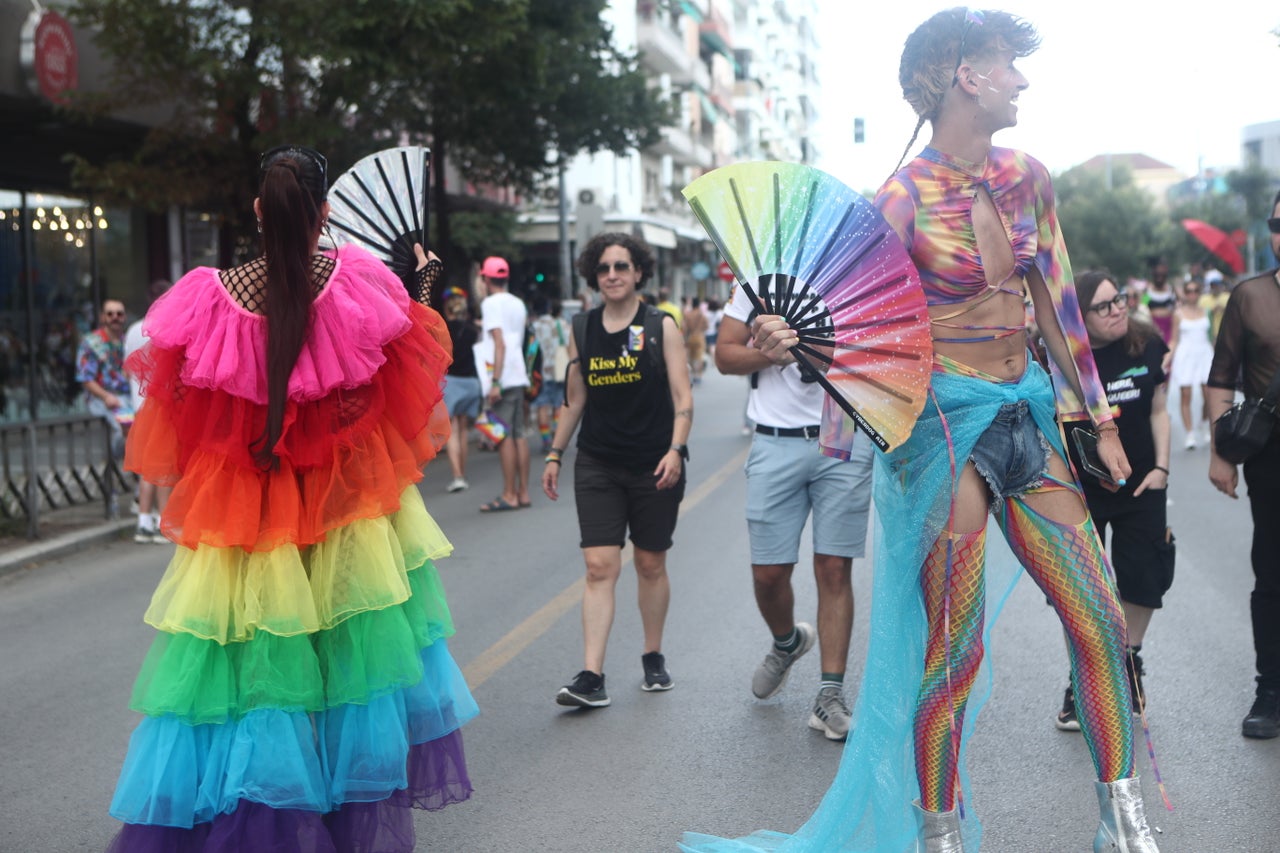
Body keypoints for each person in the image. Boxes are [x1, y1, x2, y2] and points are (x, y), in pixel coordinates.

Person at [682, 10, 1158, 852]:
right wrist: (794, 341)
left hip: (1027, 417)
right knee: (956, 647)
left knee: (1098, 620)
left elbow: (1059, 306)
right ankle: (938, 836)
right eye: (1009, 65)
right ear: (966, 75)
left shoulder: (1029, 176)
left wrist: (1099, 417)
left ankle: (1124, 823)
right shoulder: (898, 199)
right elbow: (860, 326)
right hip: (943, 432)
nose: (1021, 80)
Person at [105, 144, 477, 851]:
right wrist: (423, 290)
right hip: (343, 514)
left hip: (253, 516)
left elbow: (183, 419)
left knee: (252, 677)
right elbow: (398, 391)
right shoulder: (355, 282)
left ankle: (255, 822)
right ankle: (341, 820)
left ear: (256, 211)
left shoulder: (208, 298)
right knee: (352, 669)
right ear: (326, 212)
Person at [714, 281, 874, 741]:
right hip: (773, 439)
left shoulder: (853, 277)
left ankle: (829, 695)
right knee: (769, 574)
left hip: (841, 432)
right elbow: (725, 356)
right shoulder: (757, 284)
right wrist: (772, 352)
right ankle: (787, 642)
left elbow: (881, 352)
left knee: (833, 567)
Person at [541, 231, 692, 708]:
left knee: (650, 563)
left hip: (655, 464)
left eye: (621, 267)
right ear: (594, 275)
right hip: (598, 462)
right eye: (604, 268)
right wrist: (554, 453)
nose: (612, 275)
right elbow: (576, 399)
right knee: (598, 566)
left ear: (639, 272)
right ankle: (592, 675)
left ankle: (652, 655)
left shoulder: (660, 325)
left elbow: (683, 399)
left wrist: (675, 450)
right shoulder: (582, 328)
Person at [1056, 270, 1173, 732]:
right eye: (1103, 306)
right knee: (1082, 591)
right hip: (1085, 491)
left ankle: (1129, 660)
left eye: (1118, 299)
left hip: (1143, 486)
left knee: (1145, 578)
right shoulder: (1065, 362)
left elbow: (1160, 410)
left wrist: (1162, 469)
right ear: (1080, 319)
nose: (1117, 309)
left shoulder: (1145, 345)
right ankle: (1081, 681)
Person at [1206, 190, 1280, 740]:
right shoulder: (1250, 297)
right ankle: (1270, 690)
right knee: (1272, 570)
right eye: (1277, 223)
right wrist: (1219, 453)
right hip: (1270, 455)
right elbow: (1221, 377)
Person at [478, 255, 532, 511]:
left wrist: (496, 382)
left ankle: (509, 494)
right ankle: (522, 493)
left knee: (501, 436)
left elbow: (499, 342)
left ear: (485, 278)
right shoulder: (518, 303)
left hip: (502, 376)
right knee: (519, 434)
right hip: (518, 374)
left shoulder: (490, 303)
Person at [123, 280, 173, 543]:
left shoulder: (133, 330)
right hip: (160, 406)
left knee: (146, 466)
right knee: (162, 466)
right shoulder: (165, 329)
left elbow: (128, 368)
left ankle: (144, 520)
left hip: (137, 406)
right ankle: (163, 522)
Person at [76, 298, 132, 459]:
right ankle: (119, 466)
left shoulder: (127, 341)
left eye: (119, 314)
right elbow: (85, 378)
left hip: (127, 396)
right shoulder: (91, 342)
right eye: (110, 314)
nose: (115, 317)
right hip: (103, 397)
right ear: (102, 317)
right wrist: (106, 396)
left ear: (124, 317)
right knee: (125, 427)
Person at [1168, 279, 1215, 449]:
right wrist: (1166, 359)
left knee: (1209, 394)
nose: (1192, 294)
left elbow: (1212, 336)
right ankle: (1190, 434)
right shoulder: (1178, 313)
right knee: (1186, 394)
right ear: (1185, 293)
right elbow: (1174, 340)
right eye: (1189, 291)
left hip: (1205, 354)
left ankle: (1203, 422)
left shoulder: (1206, 311)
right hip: (1186, 355)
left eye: (1195, 290)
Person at [443, 286, 481, 492]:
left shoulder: (443, 329)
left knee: (452, 431)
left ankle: (457, 476)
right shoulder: (473, 331)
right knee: (464, 429)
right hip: (470, 382)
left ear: (448, 310)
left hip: (451, 382)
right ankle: (462, 473)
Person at [531, 296, 569, 452]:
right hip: (558, 370)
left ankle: (546, 440)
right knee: (558, 405)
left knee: (542, 405)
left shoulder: (534, 326)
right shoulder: (561, 324)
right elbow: (568, 344)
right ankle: (556, 437)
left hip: (540, 371)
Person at [1143, 257, 1177, 344]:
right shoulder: (1147, 293)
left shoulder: (1172, 291)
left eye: (1162, 274)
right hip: (1152, 331)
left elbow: (1177, 309)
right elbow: (1142, 308)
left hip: (1169, 332)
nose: (1159, 277)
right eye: (1157, 274)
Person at [683, 298, 709, 384]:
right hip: (699, 337)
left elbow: (684, 328)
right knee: (699, 357)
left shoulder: (688, 315)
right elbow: (706, 325)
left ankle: (693, 374)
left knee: (691, 357)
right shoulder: (701, 314)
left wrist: (685, 339)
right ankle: (699, 375)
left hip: (690, 337)